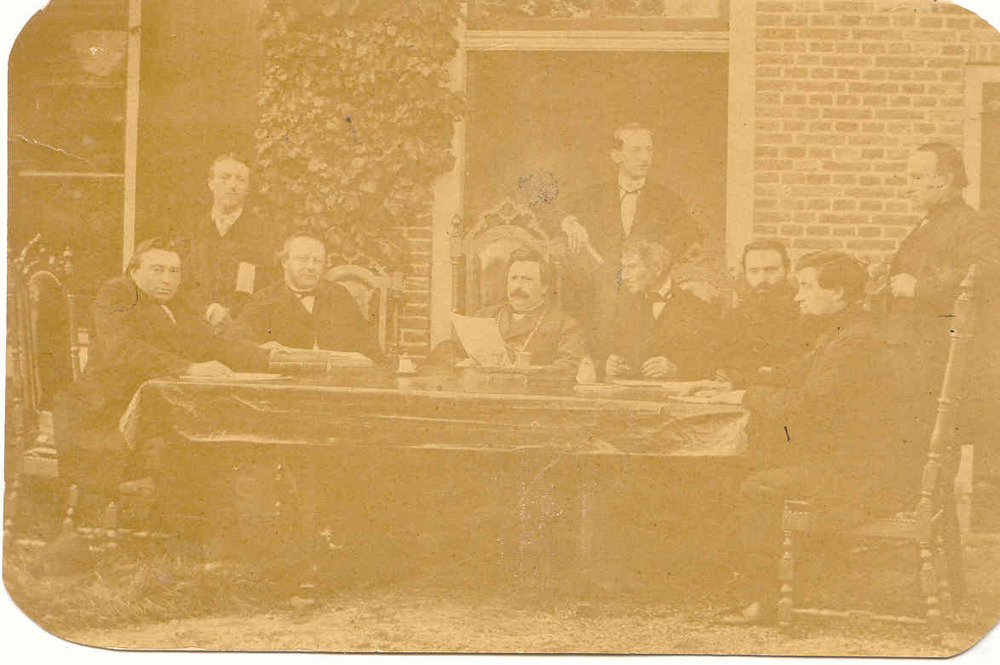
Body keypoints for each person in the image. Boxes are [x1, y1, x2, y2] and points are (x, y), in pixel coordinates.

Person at [719, 251, 915, 625]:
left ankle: (766, 601)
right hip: (846, 462)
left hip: (860, 476)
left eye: (807, 286)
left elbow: (809, 407)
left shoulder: (856, 341)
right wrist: (737, 382)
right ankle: (782, 586)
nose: (798, 296)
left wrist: (745, 396)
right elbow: (794, 373)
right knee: (757, 461)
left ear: (837, 291)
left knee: (756, 485)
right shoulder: (842, 330)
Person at [53, 238, 270, 501]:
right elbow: (124, 350)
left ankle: (199, 511)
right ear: (134, 271)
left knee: (222, 436)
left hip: (159, 407)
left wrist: (270, 356)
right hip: (106, 409)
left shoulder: (176, 304)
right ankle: (182, 513)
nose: (167, 279)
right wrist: (188, 368)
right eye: (157, 270)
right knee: (199, 445)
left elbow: (212, 345)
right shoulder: (118, 292)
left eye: (174, 271)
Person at [886, 143, 1000, 530]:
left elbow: (986, 270)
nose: (908, 185)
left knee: (931, 466)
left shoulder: (967, 223)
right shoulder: (930, 222)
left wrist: (919, 288)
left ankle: (931, 547)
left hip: (935, 366)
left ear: (945, 179)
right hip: (911, 360)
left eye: (916, 177)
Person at [555, 123, 705, 328]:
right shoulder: (594, 196)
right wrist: (569, 223)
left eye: (648, 150)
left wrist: (656, 255)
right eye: (636, 150)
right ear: (616, 156)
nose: (645, 158)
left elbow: (691, 232)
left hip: (645, 297)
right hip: (598, 299)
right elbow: (553, 210)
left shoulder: (667, 198)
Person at [427, 245, 587, 374]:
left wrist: (528, 371)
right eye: (514, 278)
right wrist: (461, 363)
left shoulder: (565, 324)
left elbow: (571, 366)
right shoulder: (485, 315)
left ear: (544, 287)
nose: (518, 286)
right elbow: (445, 350)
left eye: (527, 279)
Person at [231, 232, 383, 361]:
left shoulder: (339, 295)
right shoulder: (264, 299)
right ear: (285, 262)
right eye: (303, 259)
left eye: (317, 261)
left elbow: (370, 348)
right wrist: (261, 350)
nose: (311, 267)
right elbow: (237, 345)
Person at [182, 153, 279, 331]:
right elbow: (184, 281)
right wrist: (208, 310)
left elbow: (265, 286)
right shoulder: (192, 227)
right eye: (225, 178)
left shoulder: (263, 231)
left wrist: (234, 318)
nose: (232, 185)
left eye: (240, 180)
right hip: (197, 323)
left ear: (247, 188)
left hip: (245, 326)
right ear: (211, 183)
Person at [601, 239, 721, 381]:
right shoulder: (623, 307)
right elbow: (609, 350)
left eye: (632, 267)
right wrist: (611, 363)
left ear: (657, 268)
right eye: (623, 268)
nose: (624, 276)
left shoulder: (697, 308)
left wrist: (678, 370)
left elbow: (714, 362)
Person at [714, 240, 806, 386]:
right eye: (754, 271)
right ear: (745, 273)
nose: (762, 279)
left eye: (771, 270)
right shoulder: (736, 316)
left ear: (787, 269)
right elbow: (725, 361)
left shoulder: (806, 310)